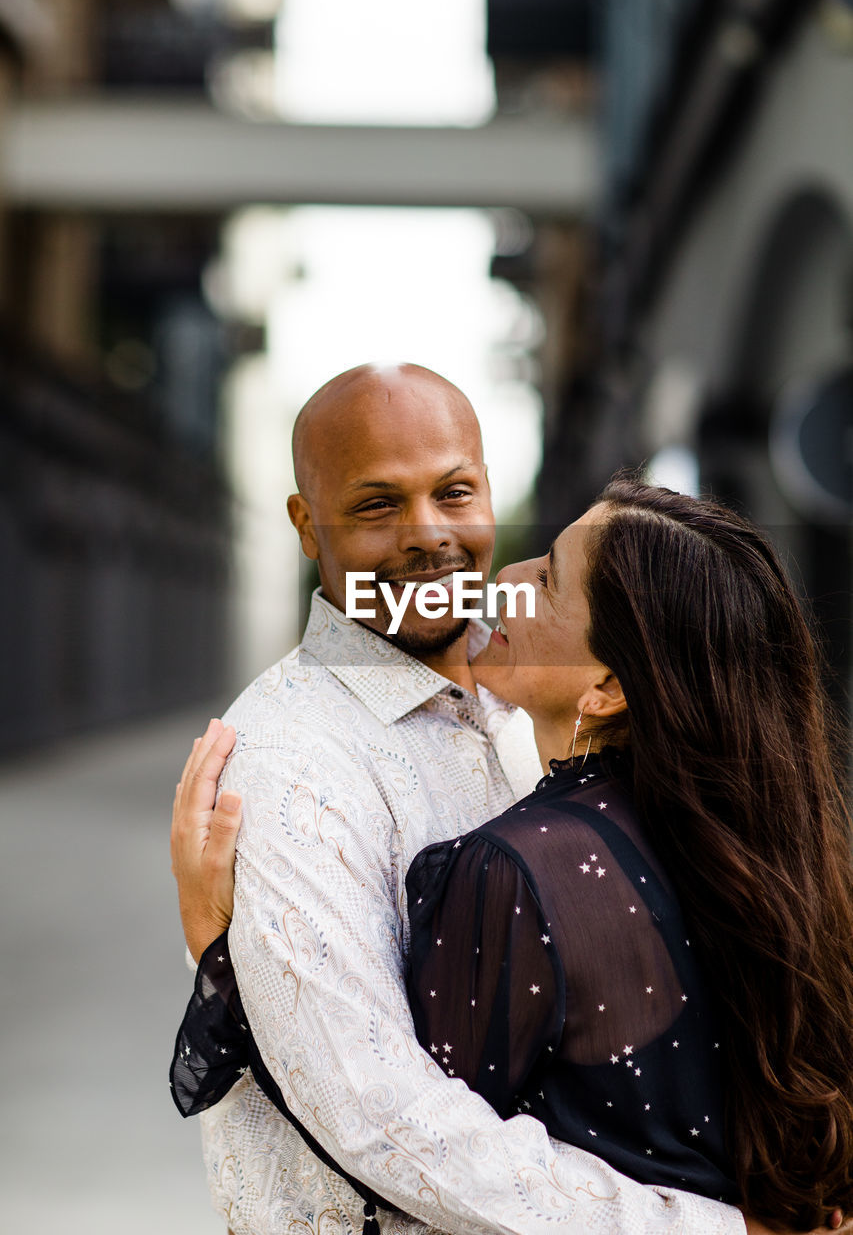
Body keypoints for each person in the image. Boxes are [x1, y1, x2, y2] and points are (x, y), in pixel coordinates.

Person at [169, 362, 841, 1235]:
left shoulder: (539, 685)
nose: (428, 536)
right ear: (307, 524)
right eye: (376, 505)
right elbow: (380, 1116)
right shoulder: (292, 762)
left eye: (454, 492)